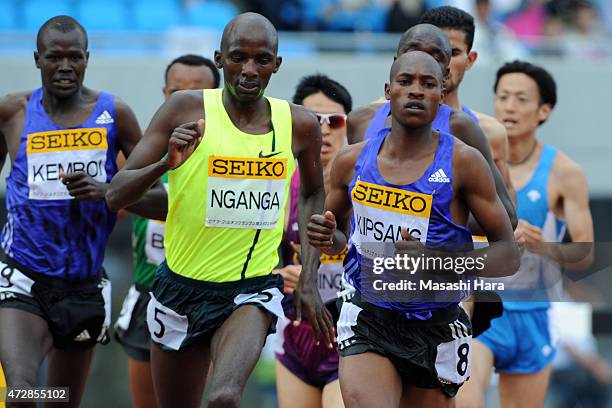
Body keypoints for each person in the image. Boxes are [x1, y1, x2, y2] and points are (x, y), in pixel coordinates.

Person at [106, 13, 335, 408]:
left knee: (224, 397)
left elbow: (314, 194)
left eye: (262, 60)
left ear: (276, 65)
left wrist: (310, 278)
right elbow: (116, 195)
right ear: (219, 59)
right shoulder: (183, 109)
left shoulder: (298, 123)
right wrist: (165, 166)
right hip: (180, 287)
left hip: (251, 290)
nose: (249, 70)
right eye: (238, 58)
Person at [308, 50, 519, 408]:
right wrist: (329, 238)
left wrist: (436, 262)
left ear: (443, 91)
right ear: (388, 91)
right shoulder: (351, 161)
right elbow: (339, 237)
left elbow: (508, 253)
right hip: (368, 314)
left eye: (428, 84)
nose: (416, 91)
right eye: (406, 82)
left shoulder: (464, 161)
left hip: (437, 321)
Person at [0, 15, 158, 408]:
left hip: (83, 286)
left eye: (75, 58)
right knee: (21, 391)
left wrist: (108, 193)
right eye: (55, 57)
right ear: (38, 59)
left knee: (60, 401)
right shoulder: (11, 112)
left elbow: (162, 201)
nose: (65, 67)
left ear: (87, 58)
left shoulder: (114, 115)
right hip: (22, 277)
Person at [458, 60, 594, 408]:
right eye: (502, 97)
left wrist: (541, 245)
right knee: (465, 403)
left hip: (534, 313)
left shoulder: (564, 172)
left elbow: (585, 254)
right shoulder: (469, 162)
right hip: (479, 308)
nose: (509, 106)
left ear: (544, 110)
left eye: (521, 98)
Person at [114, 54, 220, 408]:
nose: (188, 104)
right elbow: (110, 206)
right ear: (165, 94)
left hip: (208, 296)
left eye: (200, 94)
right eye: (178, 92)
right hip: (149, 292)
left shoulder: (233, 156)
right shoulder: (142, 154)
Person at [346, 24, 517, 232]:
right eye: (413, 52)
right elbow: (345, 207)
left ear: (444, 76)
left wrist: (437, 226)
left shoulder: (461, 127)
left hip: (434, 261)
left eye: (434, 58)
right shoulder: (360, 120)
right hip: (367, 263)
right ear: (396, 61)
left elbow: (506, 217)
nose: (422, 62)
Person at [274, 74, 351, 408]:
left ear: (347, 125)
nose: (323, 129)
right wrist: (279, 275)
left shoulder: (366, 184)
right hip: (296, 334)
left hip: (350, 336)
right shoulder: (276, 184)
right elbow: (252, 257)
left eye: (333, 120)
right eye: (311, 120)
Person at [419, 6, 513, 192]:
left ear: (470, 60)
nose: (442, 62)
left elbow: (505, 211)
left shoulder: (490, 133)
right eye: (433, 52)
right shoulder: (375, 119)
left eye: (453, 53)